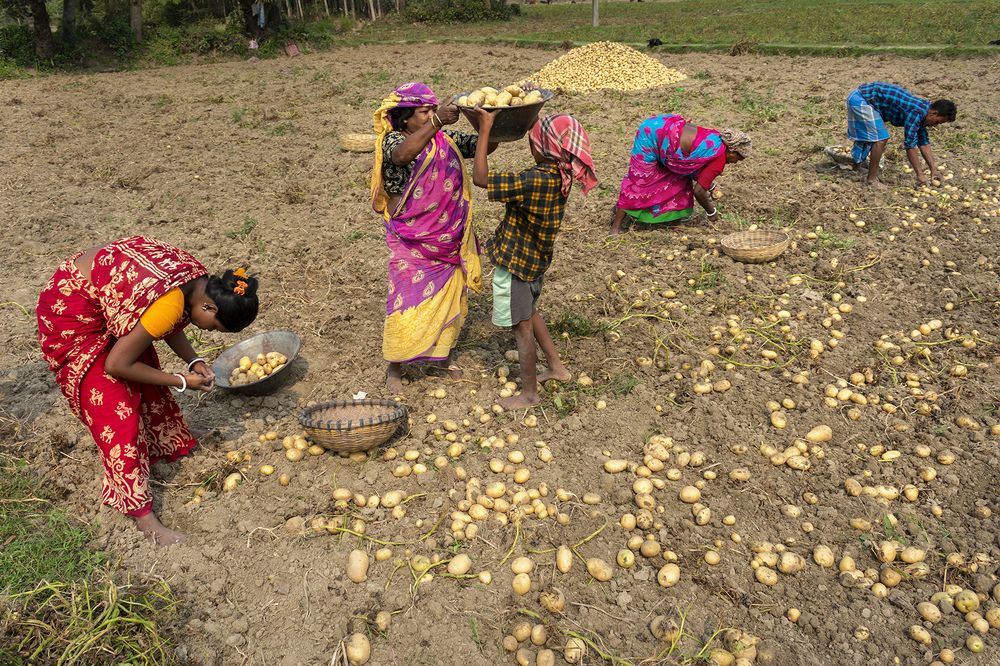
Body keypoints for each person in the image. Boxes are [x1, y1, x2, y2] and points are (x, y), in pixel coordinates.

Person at [36, 236, 259, 545]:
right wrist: (179, 380)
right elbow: (117, 363)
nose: (208, 331)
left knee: (143, 365)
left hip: (98, 293)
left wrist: (193, 360)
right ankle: (142, 515)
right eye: (214, 327)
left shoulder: (198, 281)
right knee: (116, 409)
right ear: (209, 306)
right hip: (70, 311)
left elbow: (171, 319)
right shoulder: (171, 301)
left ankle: (160, 442)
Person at [371, 82, 496, 393]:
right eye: (423, 112)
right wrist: (438, 121)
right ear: (404, 118)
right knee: (405, 299)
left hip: (447, 235)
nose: (429, 116)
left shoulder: (445, 139)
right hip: (412, 237)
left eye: (431, 111)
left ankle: (442, 356)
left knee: (451, 294)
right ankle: (396, 365)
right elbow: (402, 156)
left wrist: (487, 124)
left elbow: (484, 146)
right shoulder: (393, 140)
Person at [471, 110, 597, 409]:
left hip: (517, 262)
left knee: (522, 325)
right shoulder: (561, 174)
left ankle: (529, 394)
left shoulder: (536, 179)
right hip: (536, 259)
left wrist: (485, 129)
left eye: (533, 141)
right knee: (531, 311)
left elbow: (480, 178)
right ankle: (556, 367)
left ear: (544, 148)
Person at [609, 115, 751, 235]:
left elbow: (691, 166)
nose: (735, 163)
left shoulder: (715, 138)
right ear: (732, 152)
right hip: (651, 136)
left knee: (678, 178)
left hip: (661, 125)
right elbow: (699, 191)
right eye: (738, 159)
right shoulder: (719, 158)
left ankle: (669, 220)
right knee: (639, 182)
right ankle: (615, 227)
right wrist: (711, 212)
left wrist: (711, 186)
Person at [845, 82, 956, 187]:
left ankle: (856, 167)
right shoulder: (916, 112)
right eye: (937, 122)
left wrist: (933, 169)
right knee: (881, 139)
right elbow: (910, 145)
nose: (935, 125)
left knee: (870, 135)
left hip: (864, 99)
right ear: (934, 113)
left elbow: (924, 143)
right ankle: (871, 180)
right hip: (861, 99)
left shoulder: (924, 113)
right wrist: (920, 174)